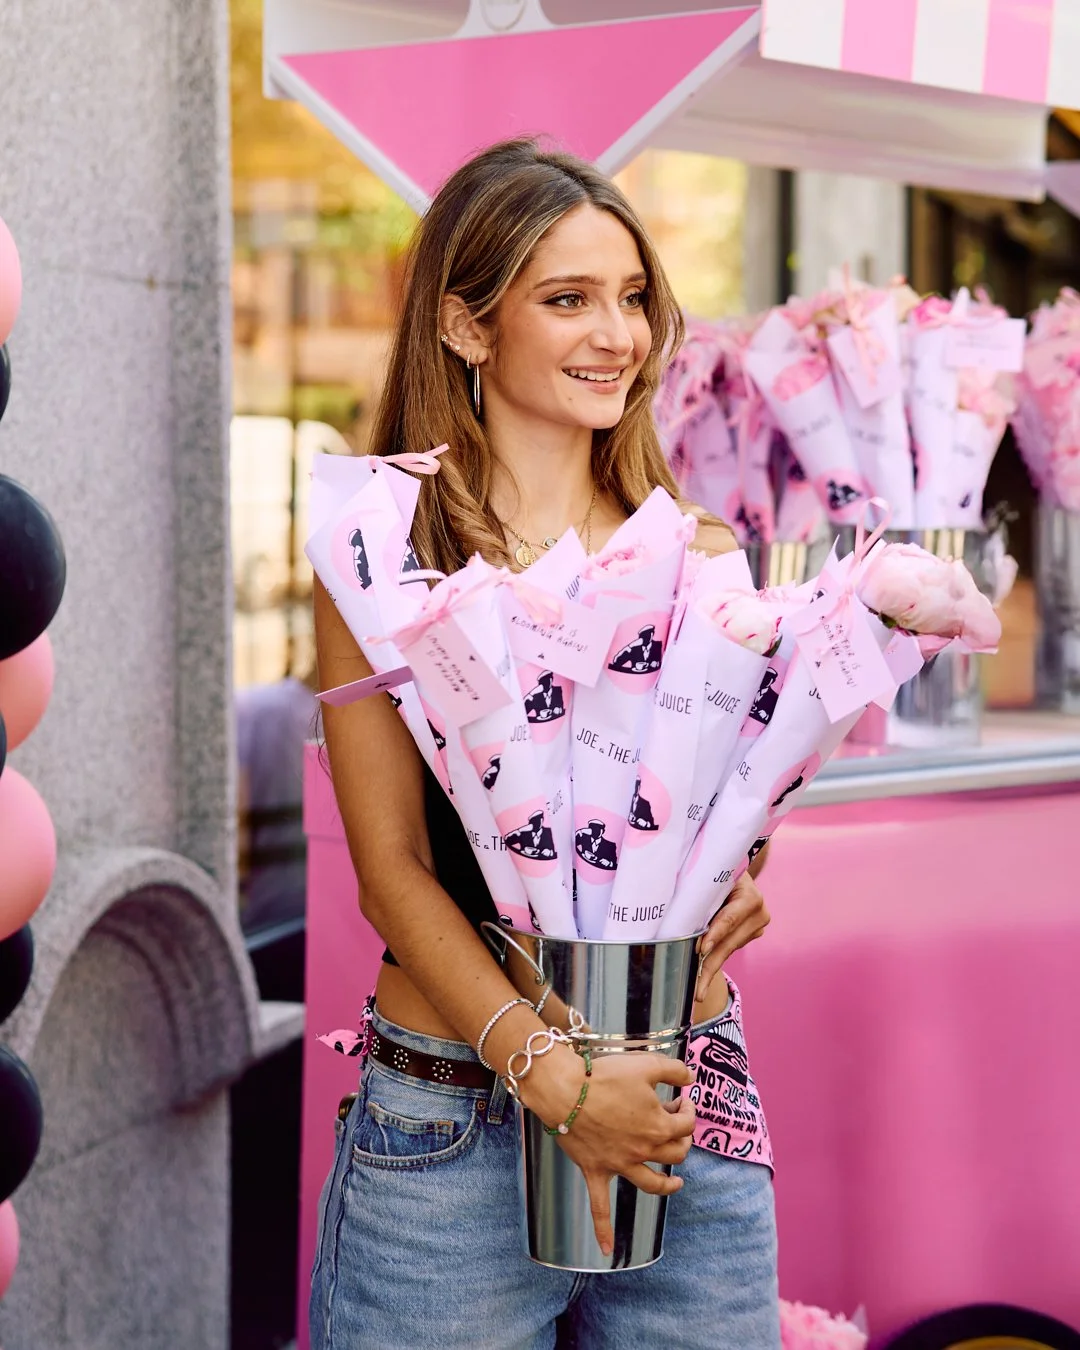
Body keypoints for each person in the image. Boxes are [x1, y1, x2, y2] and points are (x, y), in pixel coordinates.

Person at [311, 138, 778, 1349]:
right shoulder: (381, 560)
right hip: (455, 1125)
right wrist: (556, 1084)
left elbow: (711, 823)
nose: (614, 333)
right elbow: (391, 871)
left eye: (629, 298)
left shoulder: (703, 556)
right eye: (566, 299)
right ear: (467, 327)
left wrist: (740, 889)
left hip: (684, 1105)